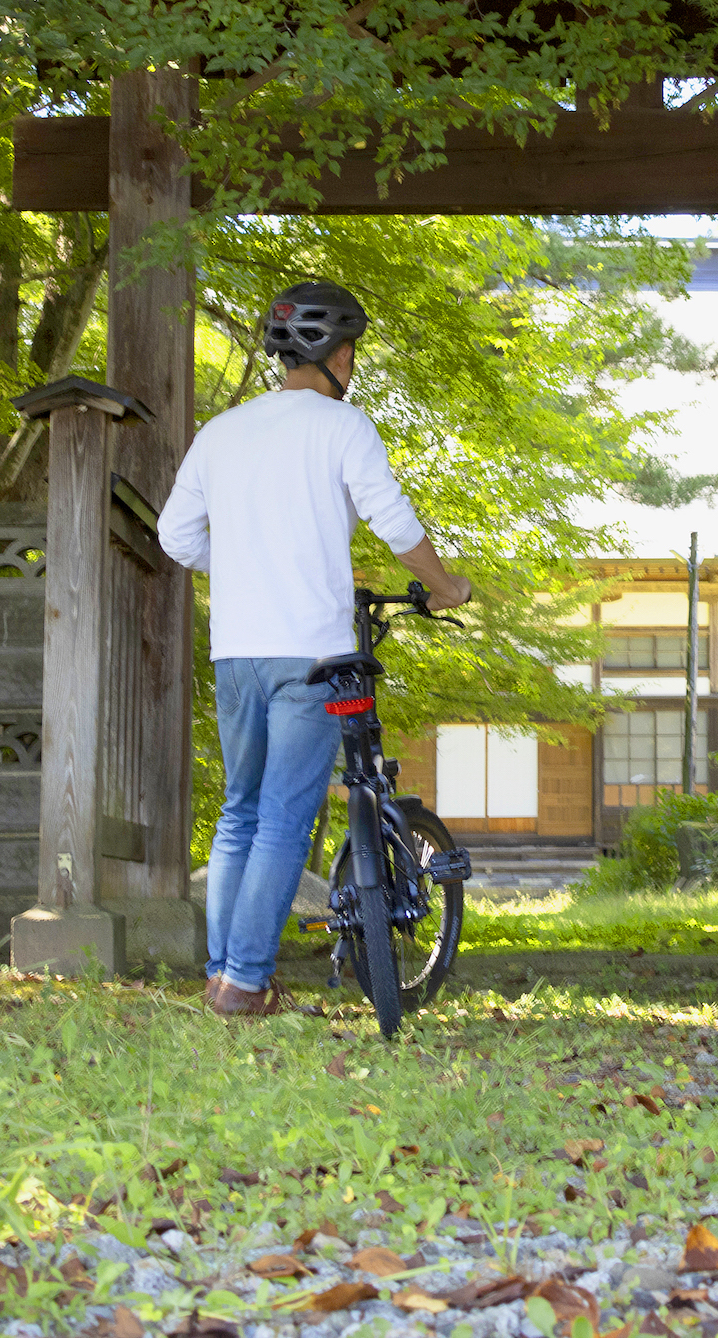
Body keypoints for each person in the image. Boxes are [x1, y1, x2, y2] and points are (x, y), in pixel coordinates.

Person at [157, 281, 472, 1018]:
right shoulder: (341, 426)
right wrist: (445, 583)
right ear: (340, 354)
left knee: (238, 813)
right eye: (352, 354)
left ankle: (222, 974)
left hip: (237, 654)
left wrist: (238, 566)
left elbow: (175, 538)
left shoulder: (220, 433)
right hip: (313, 656)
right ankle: (244, 982)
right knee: (282, 819)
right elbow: (393, 521)